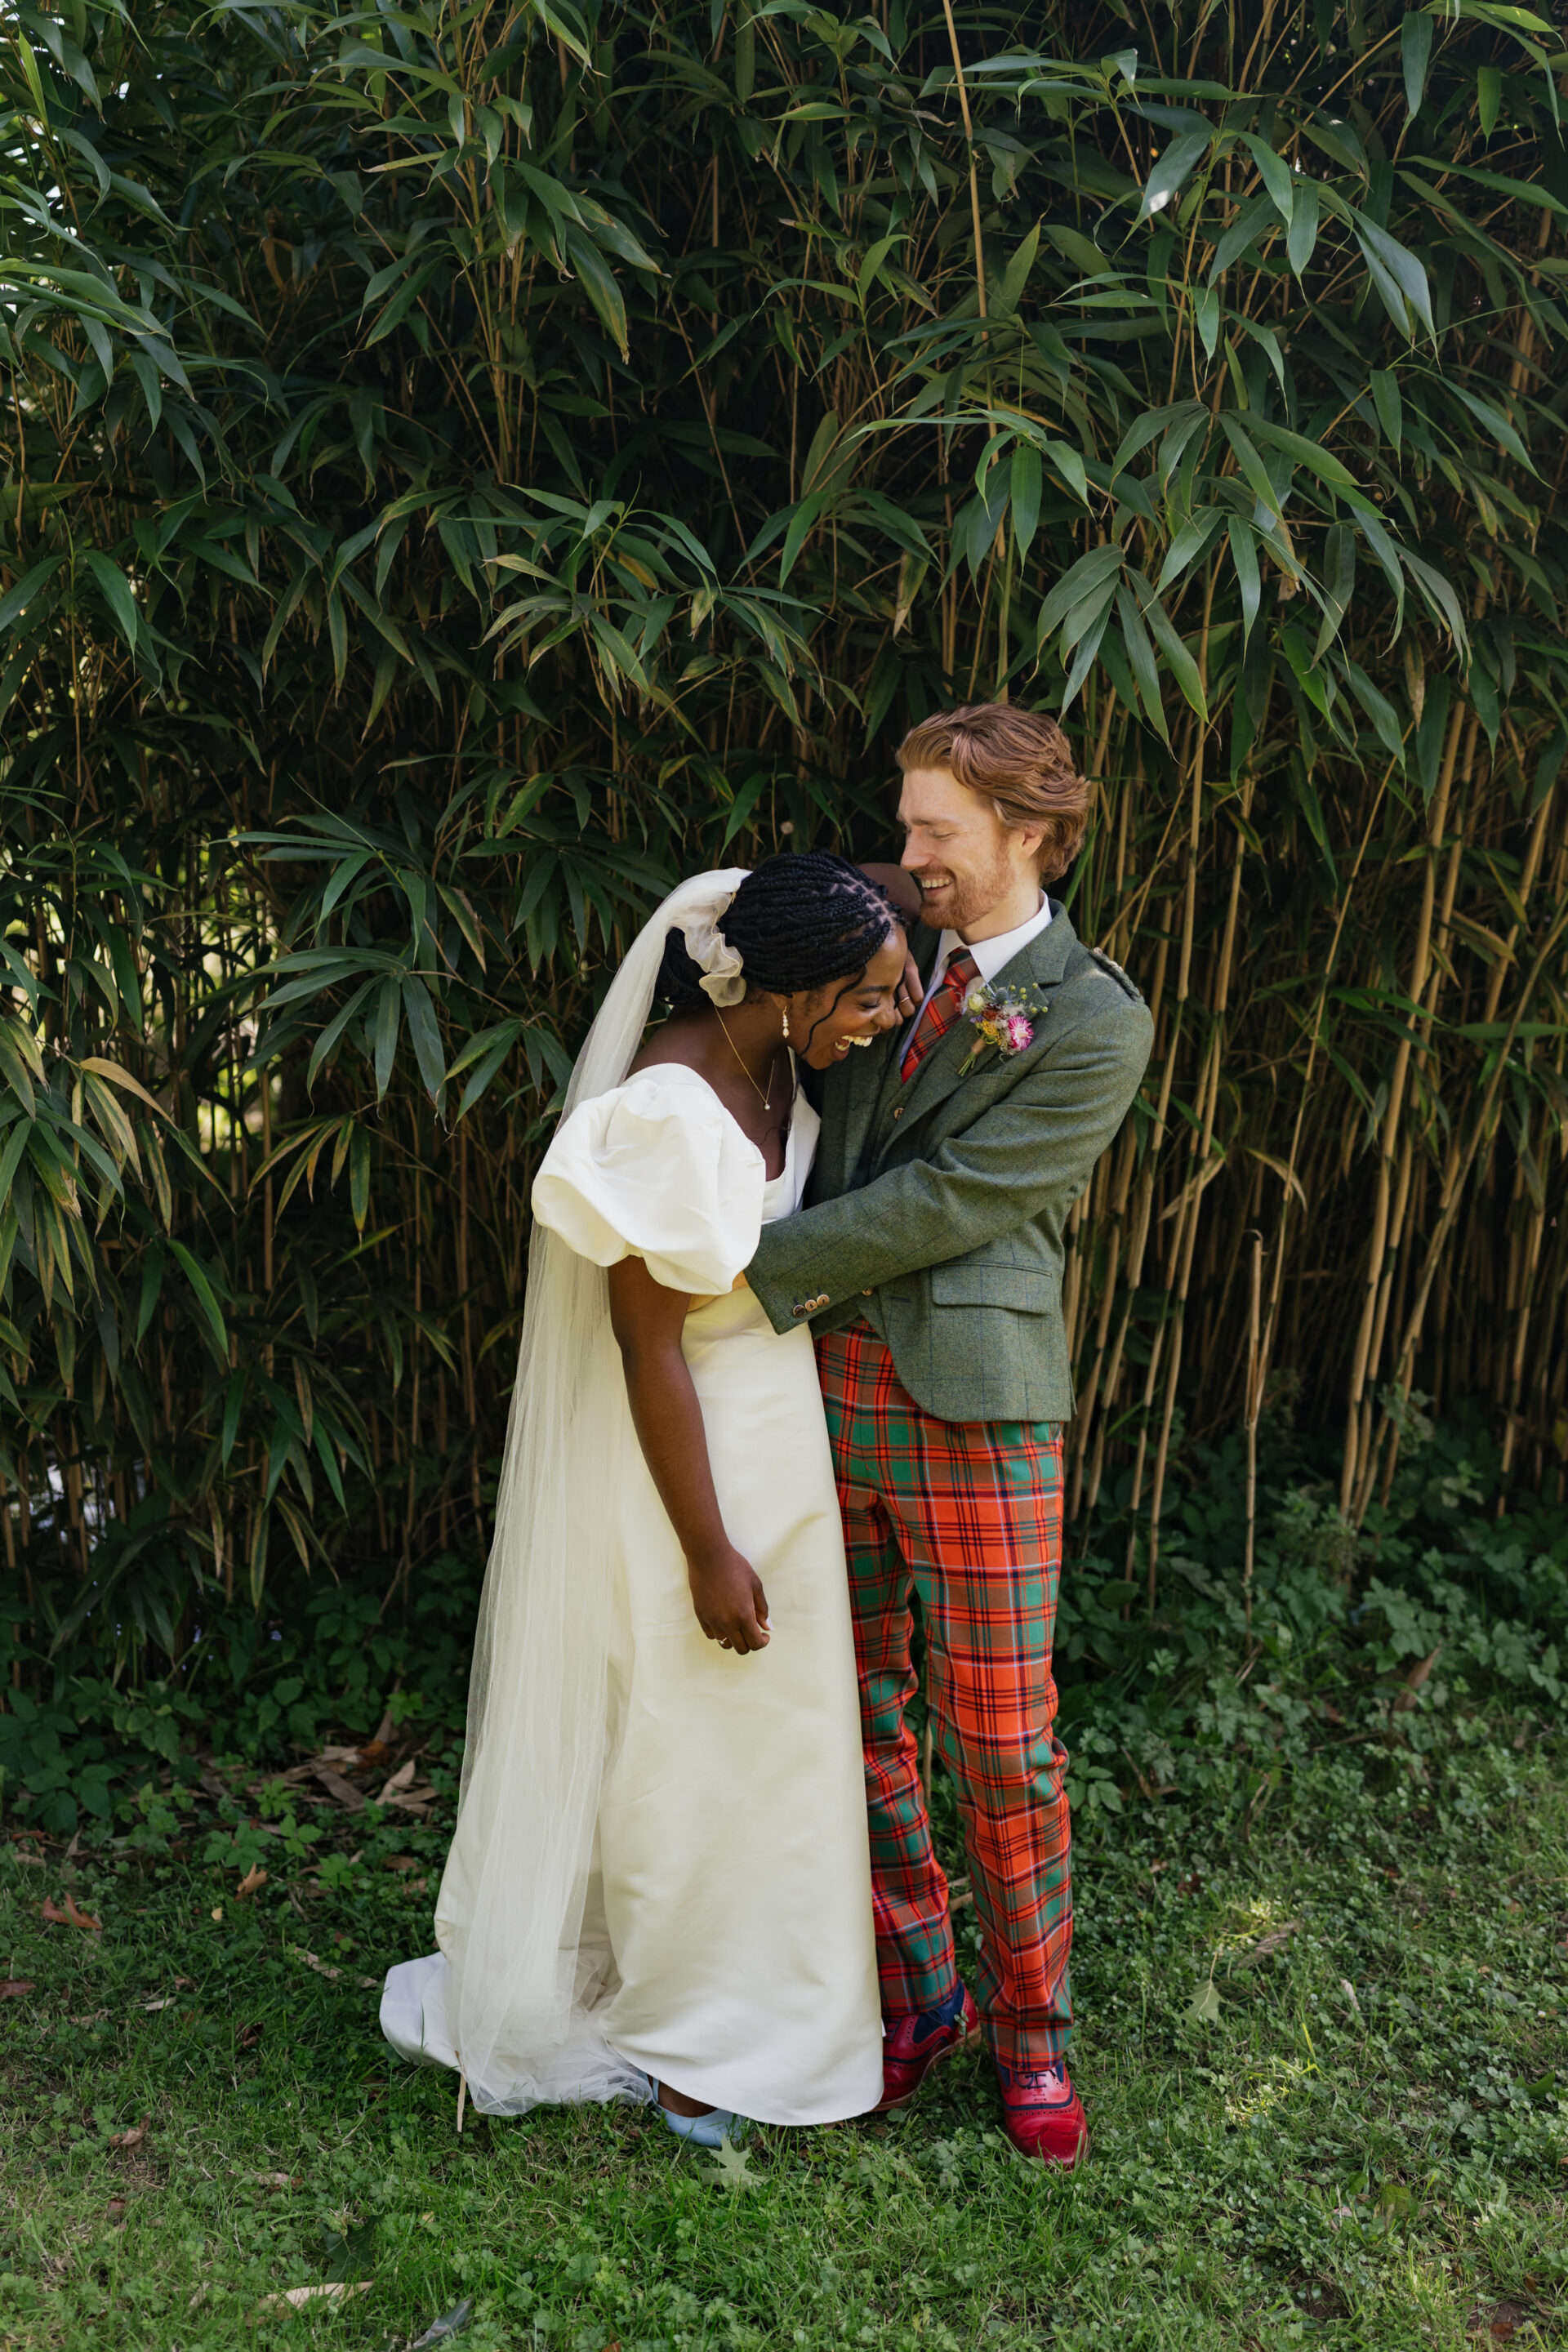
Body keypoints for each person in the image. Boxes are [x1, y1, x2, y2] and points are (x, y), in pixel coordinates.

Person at [381, 854, 915, 2144]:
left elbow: (876, 887)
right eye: (873, 998)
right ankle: (694, 2036)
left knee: (773, 1752)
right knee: (693, 1743)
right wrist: (708, 1550)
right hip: (691, 1465)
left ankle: (770, 2007)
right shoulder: (673, 1104)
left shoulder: (782, 1053)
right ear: (791, 988)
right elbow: (646, 1343)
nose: (885, 1021)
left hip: (775, 1440)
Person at [746, 705, 1153, 2166]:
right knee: (852, 1711)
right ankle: (920, 1999)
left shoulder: (1097, 1016)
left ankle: (1032, 2037)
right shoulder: (874, 936)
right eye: (907, 823)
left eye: (936, 831)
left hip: (977, 1407)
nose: (907, 851)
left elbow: (957, 1200)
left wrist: (756, 1268)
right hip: (816, 1396)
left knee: (1001, 1739)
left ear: (1028, 837)